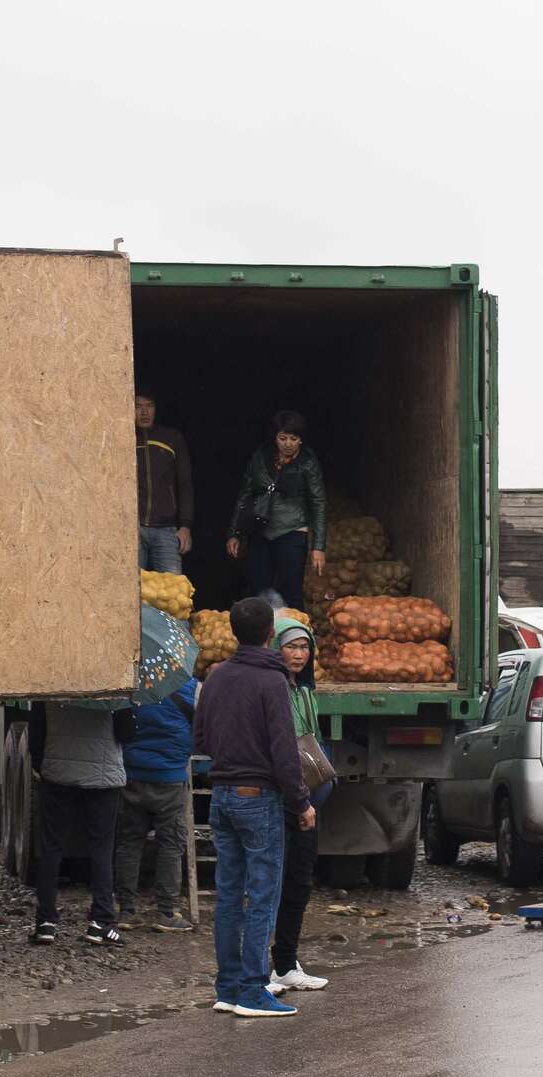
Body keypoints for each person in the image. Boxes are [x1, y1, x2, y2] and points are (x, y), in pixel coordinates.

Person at [194, 596, 313, 1019]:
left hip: (222, 796)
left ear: (232, 632)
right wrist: (300, 801)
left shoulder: (215, 676)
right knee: (262, 895)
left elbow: (201, 738)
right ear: (270, 635)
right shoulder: (272, 681)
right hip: (258, 799)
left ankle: (227, 987)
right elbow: (284, 750)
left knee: (228, 895)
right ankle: (253, 989)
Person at [28, 701, 132, 947]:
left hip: (57, 775)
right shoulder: (116, 685)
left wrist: (42, 765)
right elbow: (127, 733)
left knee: (51, 848)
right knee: (101, 851)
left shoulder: (51, 683)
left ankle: (45, 923)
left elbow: (36, 733)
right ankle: (101, 923)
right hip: (103, 780)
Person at [268, 613, 331, 994]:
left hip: (308, 801)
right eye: (291, 646)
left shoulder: (305, 692)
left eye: (305, 646)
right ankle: (264, 967)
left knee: (299, 881)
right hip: (281, 799)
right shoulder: (272, 690)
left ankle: (286, 963)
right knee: (268, 883)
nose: (299, 654)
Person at [114, 677, 198, 934]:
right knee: (171, 844)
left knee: (129, 842)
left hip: (132, 774)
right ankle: (167, 911)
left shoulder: (128, 686)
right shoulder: (188, 687)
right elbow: (200, 728)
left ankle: (126, 909)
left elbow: (119, 726)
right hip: (170, 777)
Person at [226, 411, 327, 609]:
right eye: (282, 438)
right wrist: (234, 532)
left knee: (292, 592)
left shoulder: (308, 462)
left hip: (292, 530)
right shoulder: (261, 457)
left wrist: (318, 546)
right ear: (275, 437)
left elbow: (318, 502)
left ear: (301, 440)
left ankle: (295, 638)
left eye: (293, 439)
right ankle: (260, 637)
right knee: (259, 590)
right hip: (259, 529)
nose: (288, 444)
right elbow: (245, 494)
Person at [135, 392, 195, 574]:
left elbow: (184, 483)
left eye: (149, 406)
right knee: (130, 594)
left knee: (172, 593)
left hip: (166, 529)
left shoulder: (171, 437)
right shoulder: (122, 438)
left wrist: (185, 526)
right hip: (132, 530)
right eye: (138, 406)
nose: (144, 412)